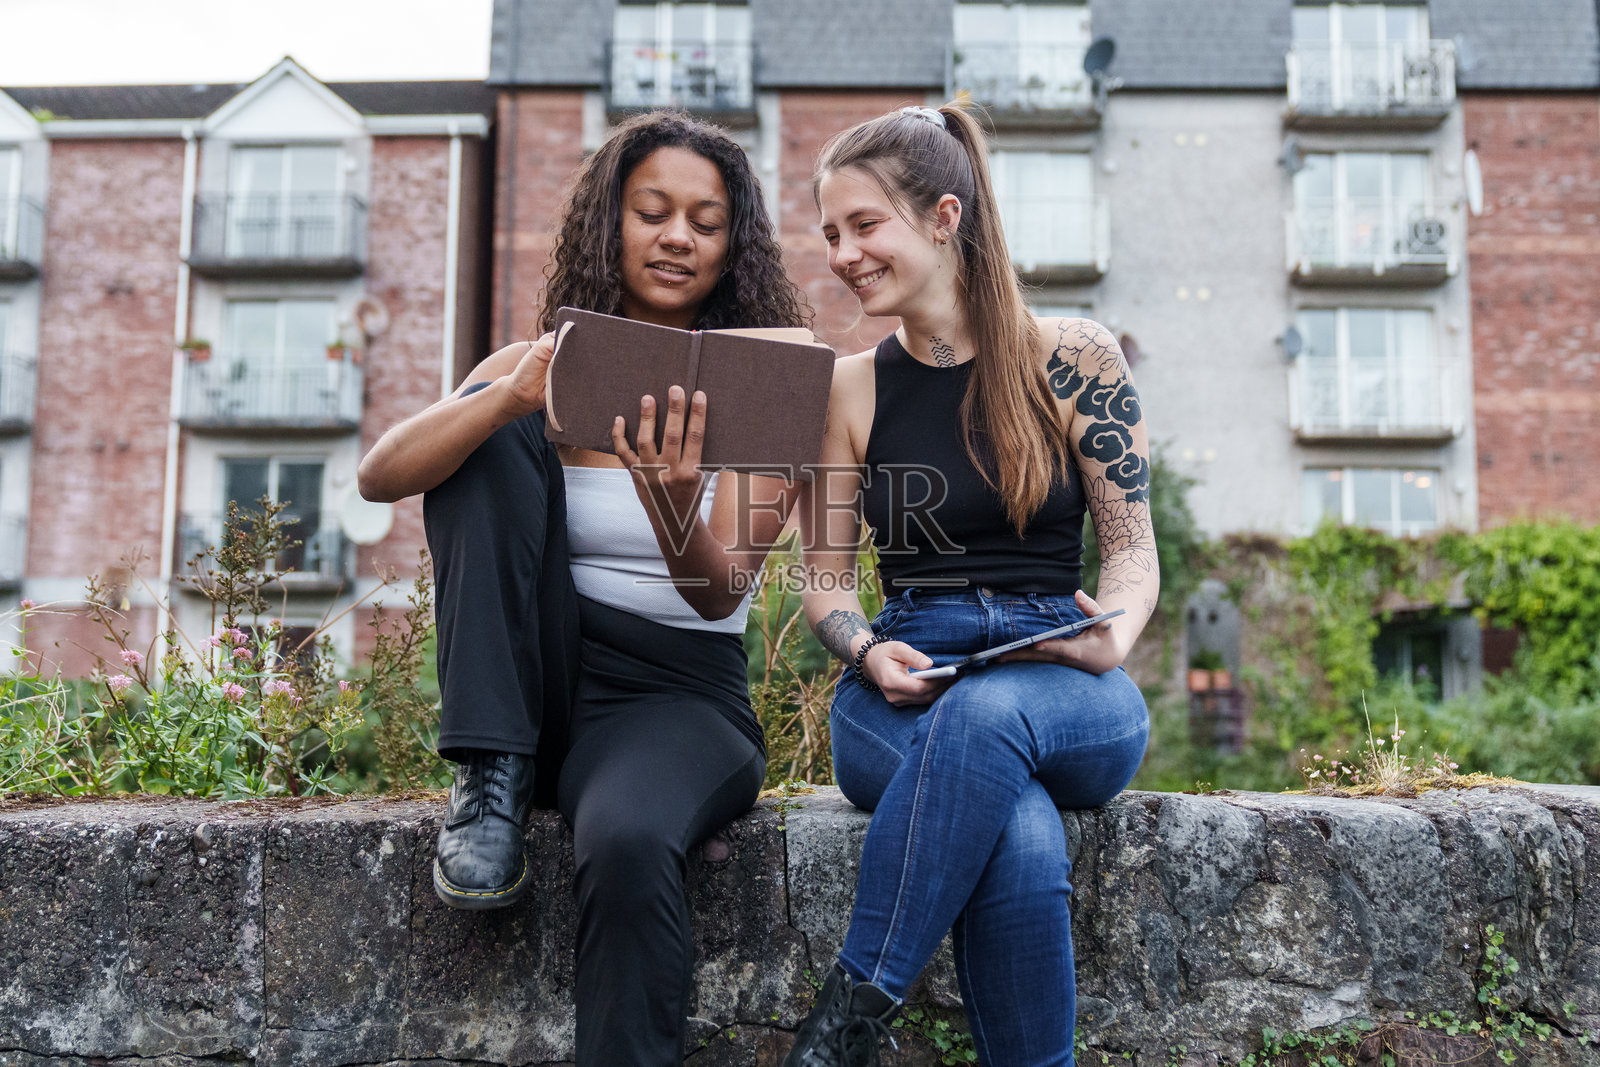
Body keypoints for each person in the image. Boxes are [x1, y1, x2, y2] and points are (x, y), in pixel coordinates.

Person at [357, 110, 811, 1066]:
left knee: (633, 841)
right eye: (652, 211)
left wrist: (677, 501)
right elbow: (381, 476)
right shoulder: (537, 367)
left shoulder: (769, 385)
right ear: (613, 222)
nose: (677, 235)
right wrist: (512, 395)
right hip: (540, 681)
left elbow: (720, 595)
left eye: (705, 219)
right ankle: (489, 774)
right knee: (484, 437)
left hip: (675, 696)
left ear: (733, 246)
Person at [787, 102, 1157, 1067]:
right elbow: (821, 579)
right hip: (900, 688)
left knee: (991, 720)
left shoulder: (1075, 358)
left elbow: (1131, 549)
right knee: (1024, 842)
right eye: (831, 233)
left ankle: (849, 1016)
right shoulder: (849, 388)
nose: (844, 253)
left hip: (1064, 678)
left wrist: (1112, 632)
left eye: (865, 225)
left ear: (944, 217)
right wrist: (864, 650)